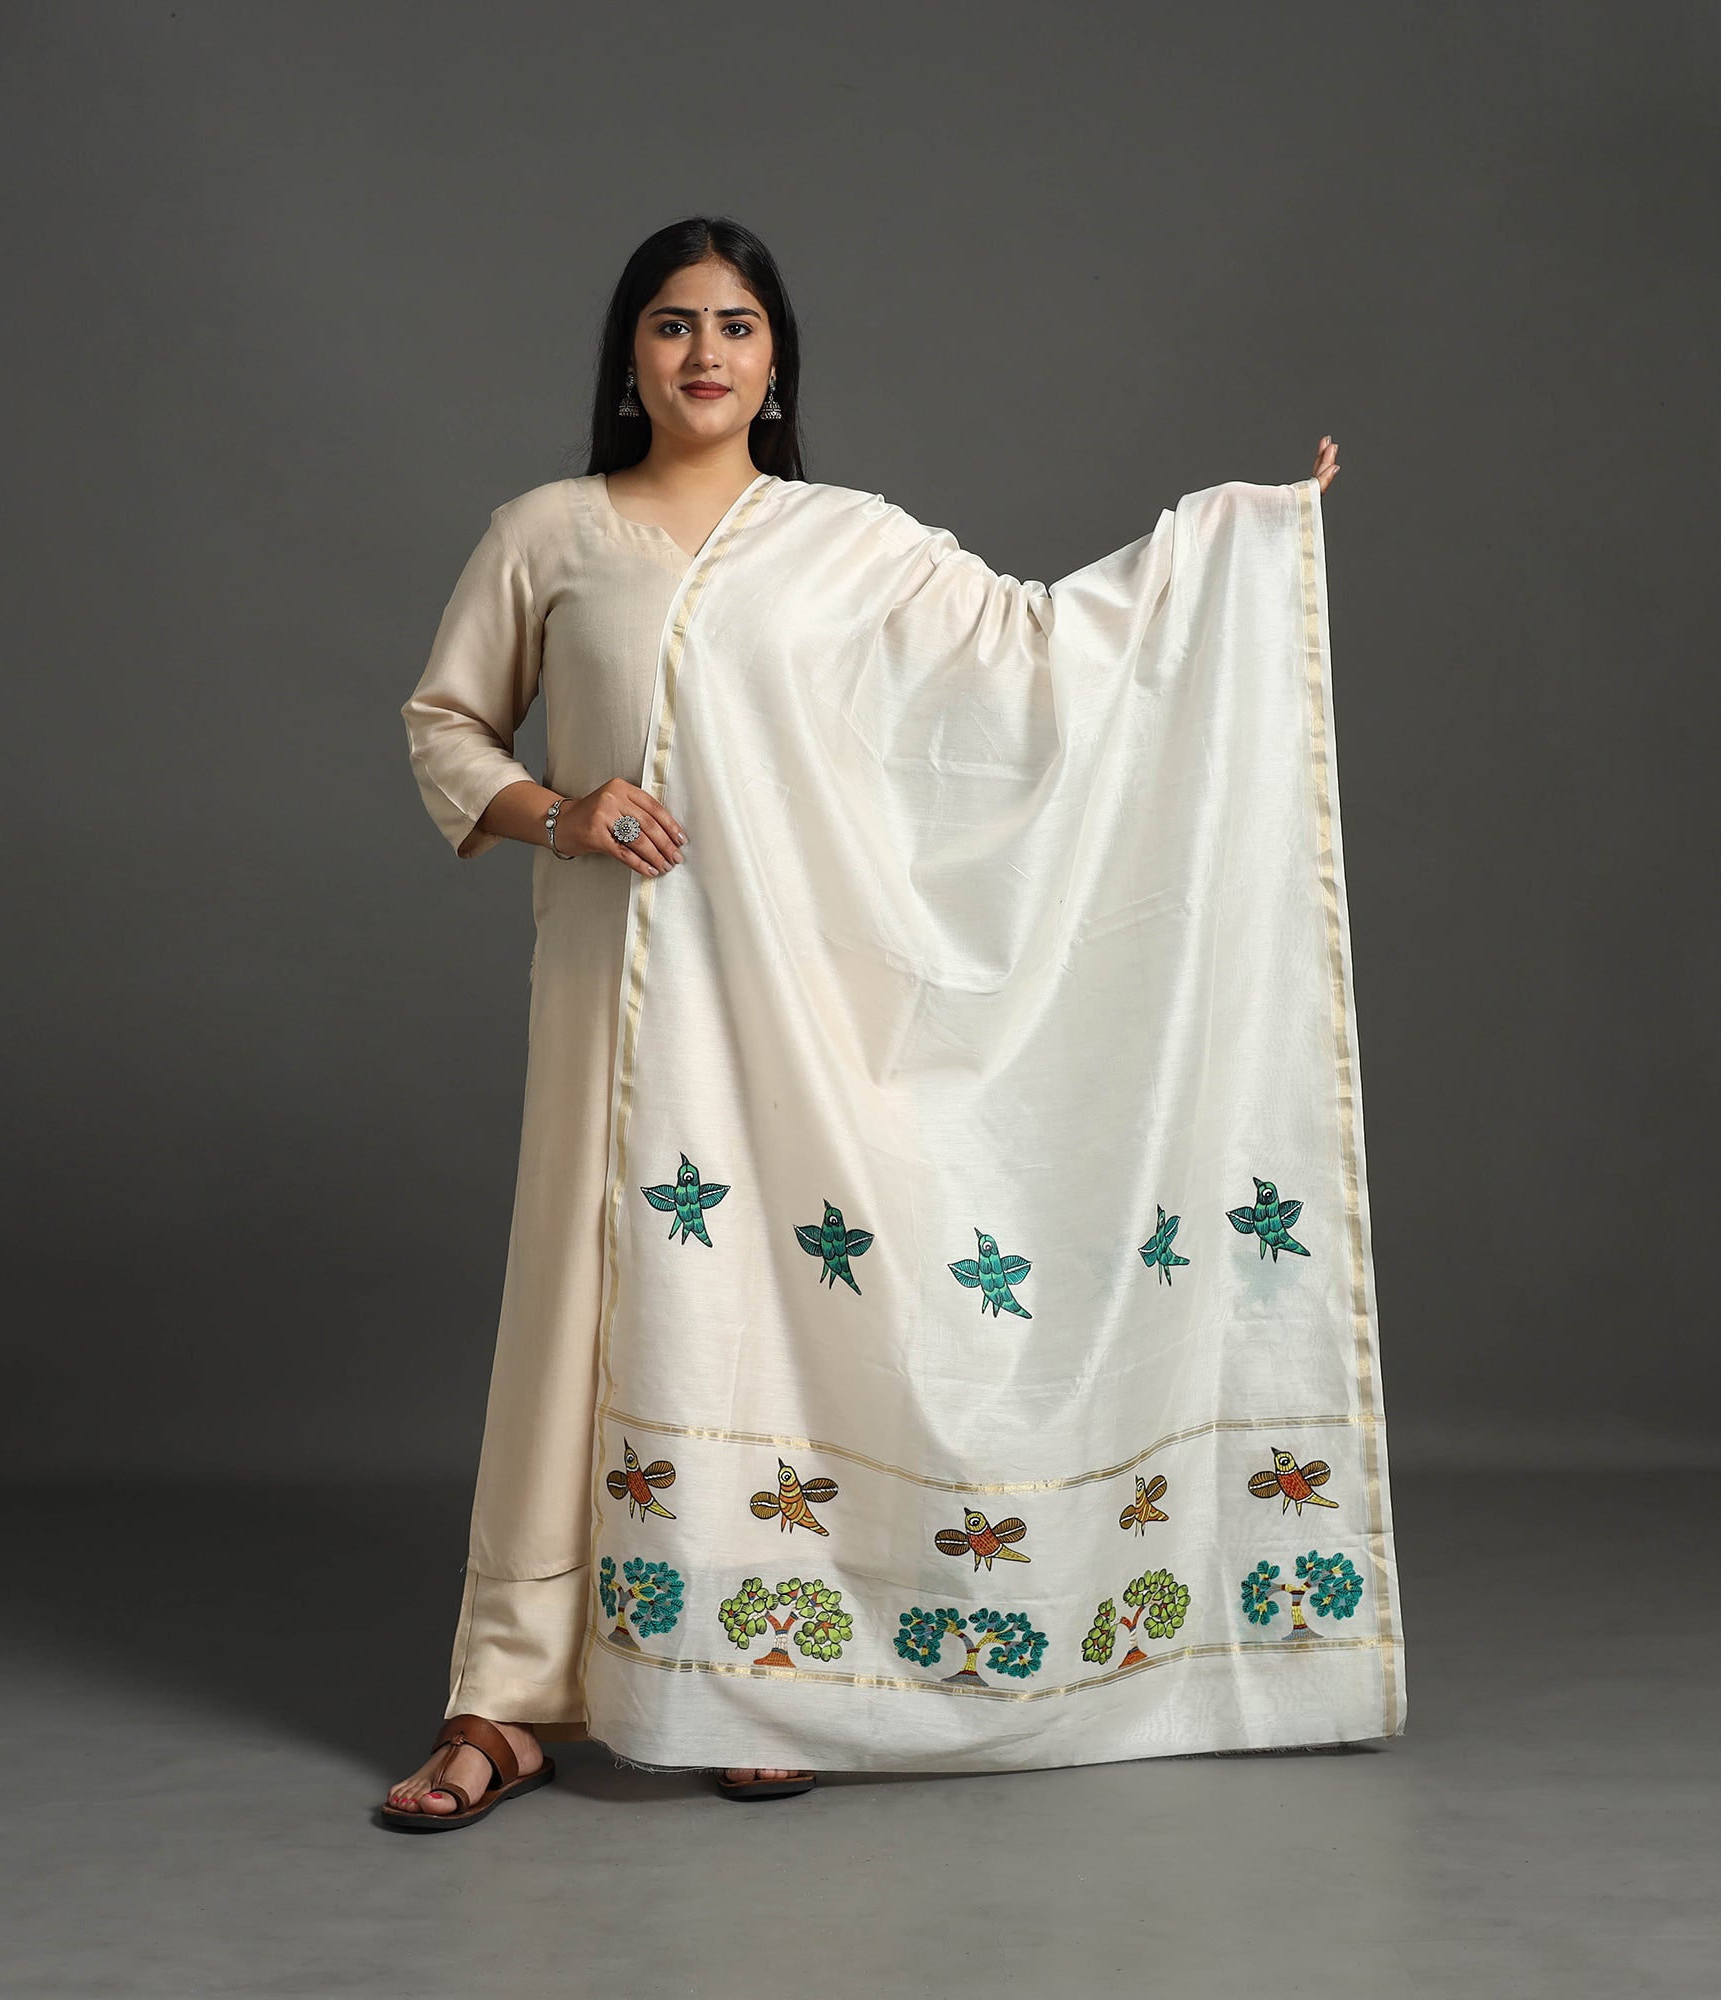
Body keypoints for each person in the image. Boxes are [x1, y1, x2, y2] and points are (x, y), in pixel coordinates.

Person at [382, 215, 1343, 1828]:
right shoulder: (548, 533)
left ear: (776, 362)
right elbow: (444, 723)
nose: (704, 352)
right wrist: (562, 813)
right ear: (629, 355)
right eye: (673, 323)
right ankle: (506, 1700)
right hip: (615, 989)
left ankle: (756, 1666)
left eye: (736, 325)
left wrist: (1236, 545)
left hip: (795, 998)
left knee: (770, 1298)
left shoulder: (846, 542)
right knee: (578, 1310)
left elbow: (1039, 651)